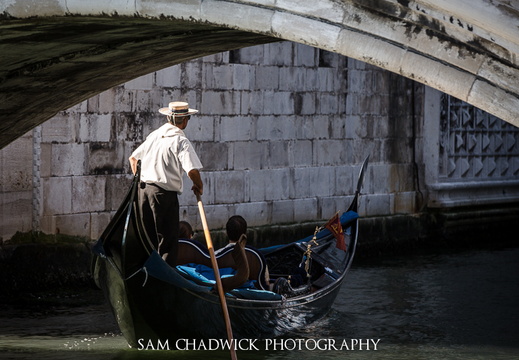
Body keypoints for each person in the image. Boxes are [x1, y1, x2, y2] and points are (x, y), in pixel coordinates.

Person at [129, 101, 203, 267]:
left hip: (143, 191)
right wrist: (199, 185)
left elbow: (133, 159)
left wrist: (141, 180)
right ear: (184, 120)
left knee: (148, 238)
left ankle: (146, 272)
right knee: (167, 241)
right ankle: (165, 278)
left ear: (169, 118)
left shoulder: (154, 135)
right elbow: (192, 171)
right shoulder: (180, 141)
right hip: (163, 195)